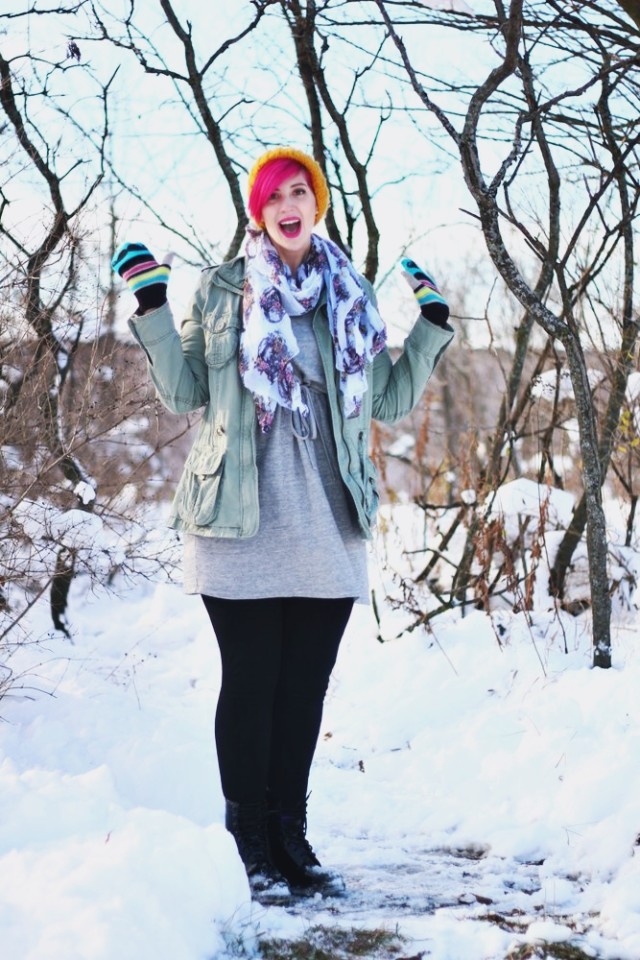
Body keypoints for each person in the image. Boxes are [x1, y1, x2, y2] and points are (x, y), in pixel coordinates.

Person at [113, 146, 454, 903]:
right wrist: (152, 307)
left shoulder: (347, 293)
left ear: (316, 203)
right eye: (275, 196)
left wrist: (429, 327)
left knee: (304, 691)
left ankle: (292, 838)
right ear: (258, 212)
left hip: (329, 520)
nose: (289, 204)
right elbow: (184, 390)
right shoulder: (226, 289)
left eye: (301, 191)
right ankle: (250, 845)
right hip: (240, 516)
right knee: (253, 681)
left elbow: (388, 401)